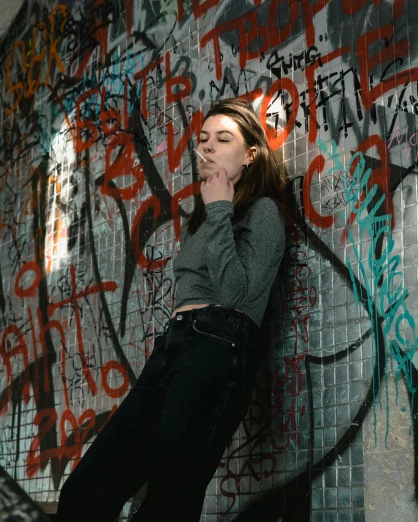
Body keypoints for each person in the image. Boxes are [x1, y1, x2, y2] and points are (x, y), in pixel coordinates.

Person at [56, 98, 288, 521]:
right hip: (174, 348)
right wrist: (215, 211)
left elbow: (237, 296)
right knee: (84, 492)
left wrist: (219, 207)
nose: (209, 148)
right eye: (203, 140)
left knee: (167, 501)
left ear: (251, 154)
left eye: (223, 139)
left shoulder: (263, 212)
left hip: (219, 346)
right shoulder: (202, 220)